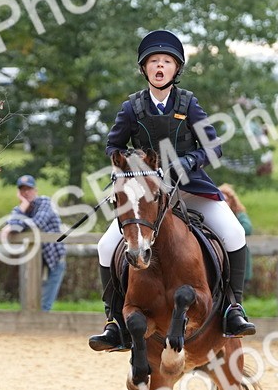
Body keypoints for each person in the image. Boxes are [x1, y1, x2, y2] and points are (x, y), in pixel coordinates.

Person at [90, 29, 256, 350]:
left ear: (176, 68)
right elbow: (114, 145)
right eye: (154, 62)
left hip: (191, 187)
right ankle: (114, 322)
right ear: (145, 69)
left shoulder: (188, 103)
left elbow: (212, 147)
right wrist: (131, 165)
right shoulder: (132, 108)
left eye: (167, 61)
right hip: (146, 194)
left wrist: (185, 161)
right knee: (104, 245)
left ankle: (234, 307)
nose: (160, 66)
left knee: (235, 234)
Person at [1, 175, 66, 312]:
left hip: (54, 255)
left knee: (44, 304)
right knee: (30, 300)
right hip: (34, 258)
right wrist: (22, 208)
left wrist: (13, 225)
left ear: (35, 190)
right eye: (22, 190)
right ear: (19, 193)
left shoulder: (45, 202)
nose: (26, 193)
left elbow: (37, 223)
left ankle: (42, 329)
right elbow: (11, 223)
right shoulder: (20, 209)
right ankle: (32, 328)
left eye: (29, 189)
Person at [218, 184, 253, 286]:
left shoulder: (239, 215)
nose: (225, 202)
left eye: (227, 200)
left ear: (232, 201)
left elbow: (247, 228)